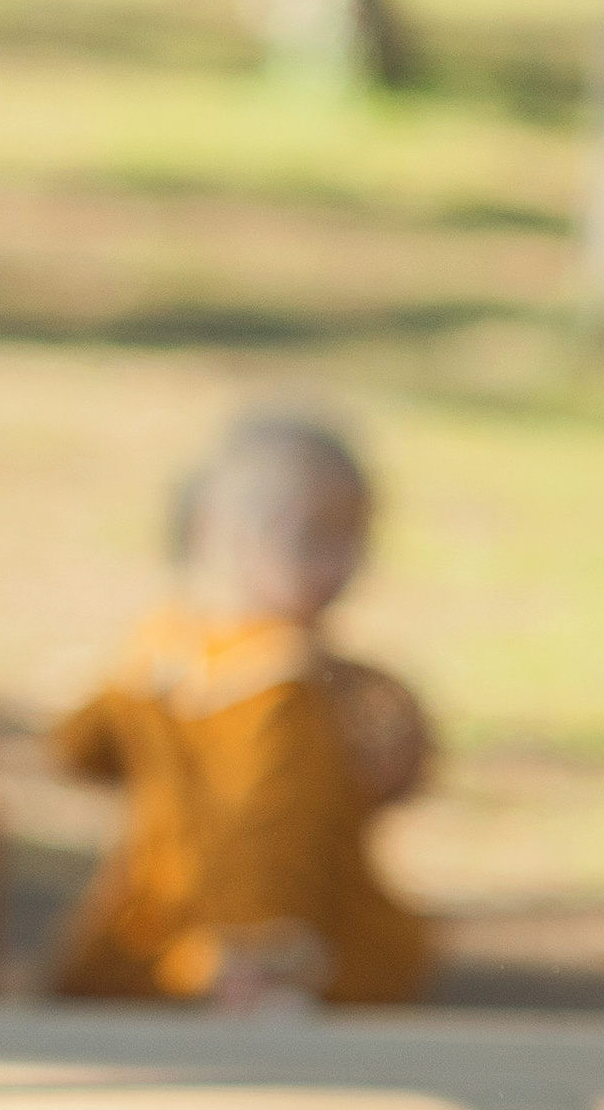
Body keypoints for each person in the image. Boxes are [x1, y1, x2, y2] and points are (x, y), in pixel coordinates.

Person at [46, 411, 429, 1010]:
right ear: (215, 533)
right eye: (313, 539)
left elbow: (77, 751)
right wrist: (262, 950)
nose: (341, 566)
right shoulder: (285, 685)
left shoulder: (161, 647)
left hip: (154, 940)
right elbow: (268, 826)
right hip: (276, 951)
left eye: (355, 539)